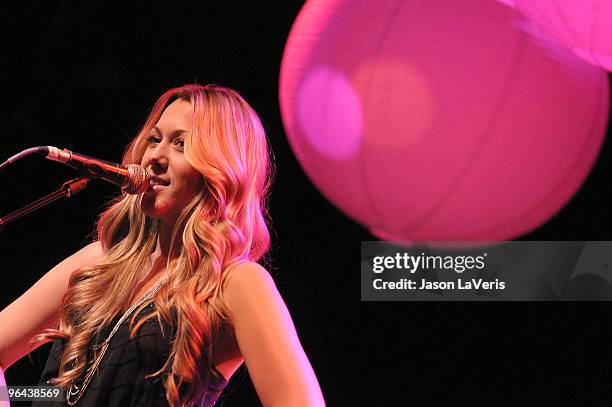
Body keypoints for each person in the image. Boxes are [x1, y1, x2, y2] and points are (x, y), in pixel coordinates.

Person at [0, 84, 325, 406]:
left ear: (222, 167)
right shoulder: (96, 264)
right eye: (154, 139)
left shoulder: (233, 284)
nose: (155, 155)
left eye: (181, 144)